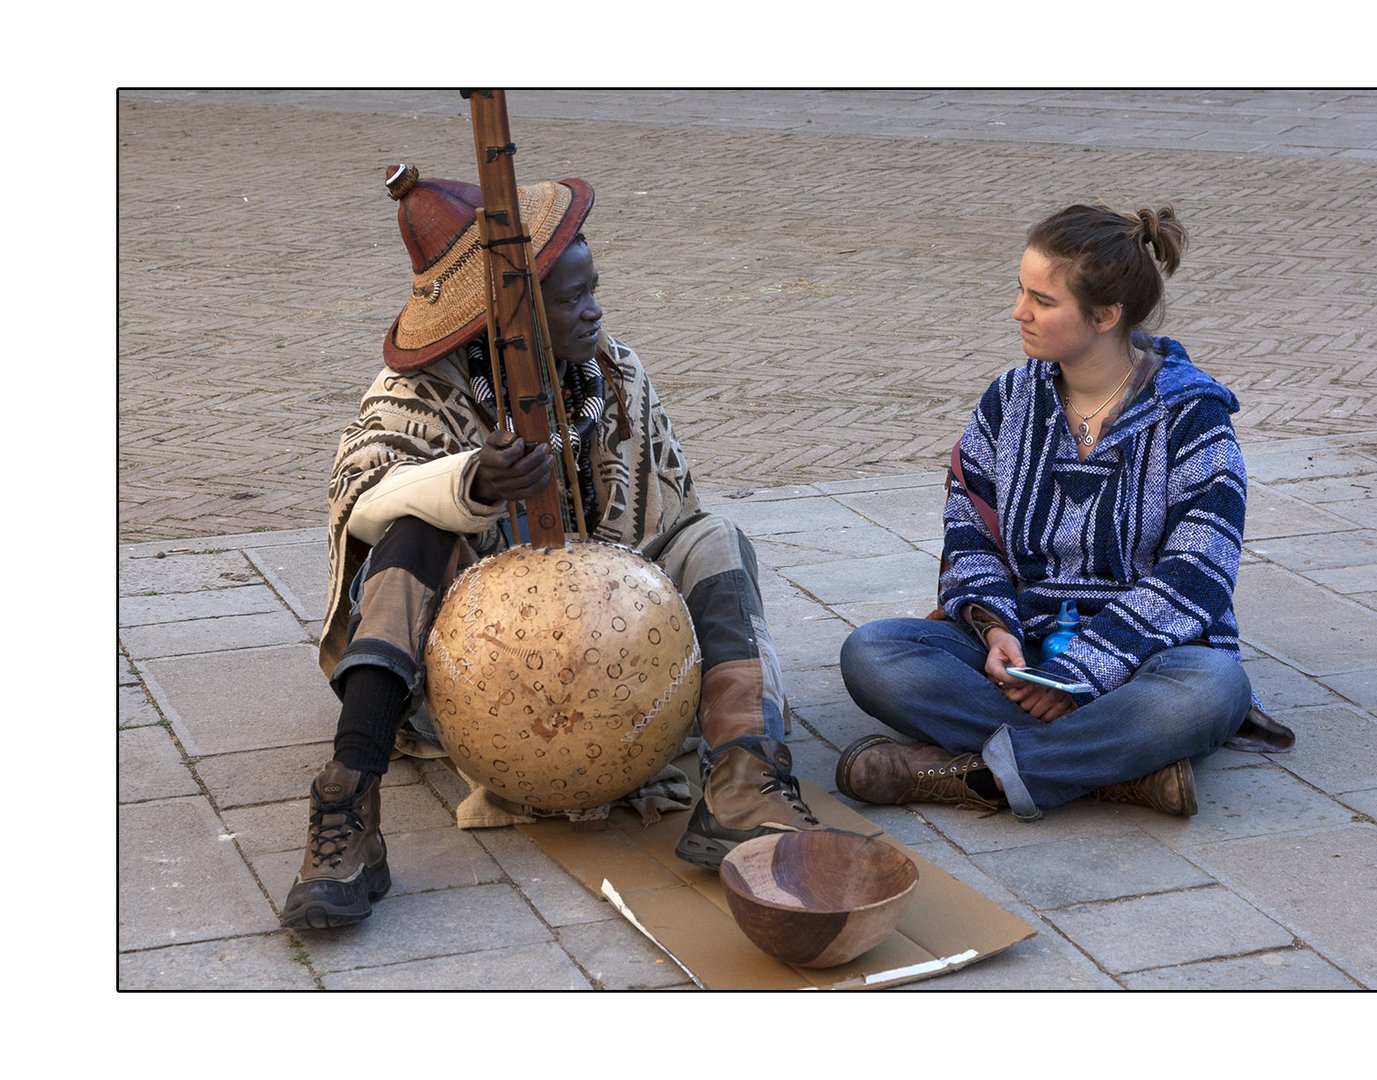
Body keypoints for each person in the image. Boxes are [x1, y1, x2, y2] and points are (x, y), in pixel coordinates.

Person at [280, 165, 819, 931]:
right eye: (572, 299)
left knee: (714, 538)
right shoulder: (420, 389)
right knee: (416, 531)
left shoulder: (615, 373)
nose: (595, 310)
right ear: (509, 323)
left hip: (624, 664)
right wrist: (472, 482)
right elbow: (360, 501)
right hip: (478, 685)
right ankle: (347, 802)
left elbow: (669, 510)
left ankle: (743, 781)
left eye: (593, 286)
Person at [835, 203, 1293, 823]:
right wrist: (996, 627)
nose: (1018, 311)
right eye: (1021, 290)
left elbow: (1200, 572)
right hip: (1024, 650)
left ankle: (969, 776)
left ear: (1106, 316)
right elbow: (970, 528)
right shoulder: (1008, 400)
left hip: (1147, 660)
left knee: (1212, 689)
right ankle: (1119, 769)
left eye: (1042, 301)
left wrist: (1084, 674)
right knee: (874, 654)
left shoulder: (1191, 417)